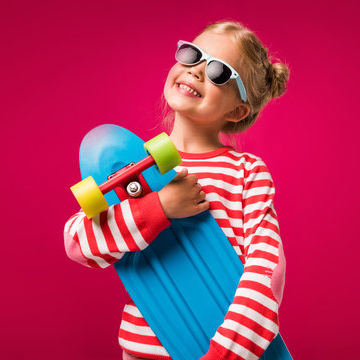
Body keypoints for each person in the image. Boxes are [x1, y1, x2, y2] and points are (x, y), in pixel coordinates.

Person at [64, 20, 290, 360]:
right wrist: (158, 208)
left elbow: (266, 272)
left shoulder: (247, 173)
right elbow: (79, 244)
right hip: (143, 352)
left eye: (218, 72)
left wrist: (225, 355)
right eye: (192, 55)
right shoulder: (131, 168)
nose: (197, 71)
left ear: (237, 110)